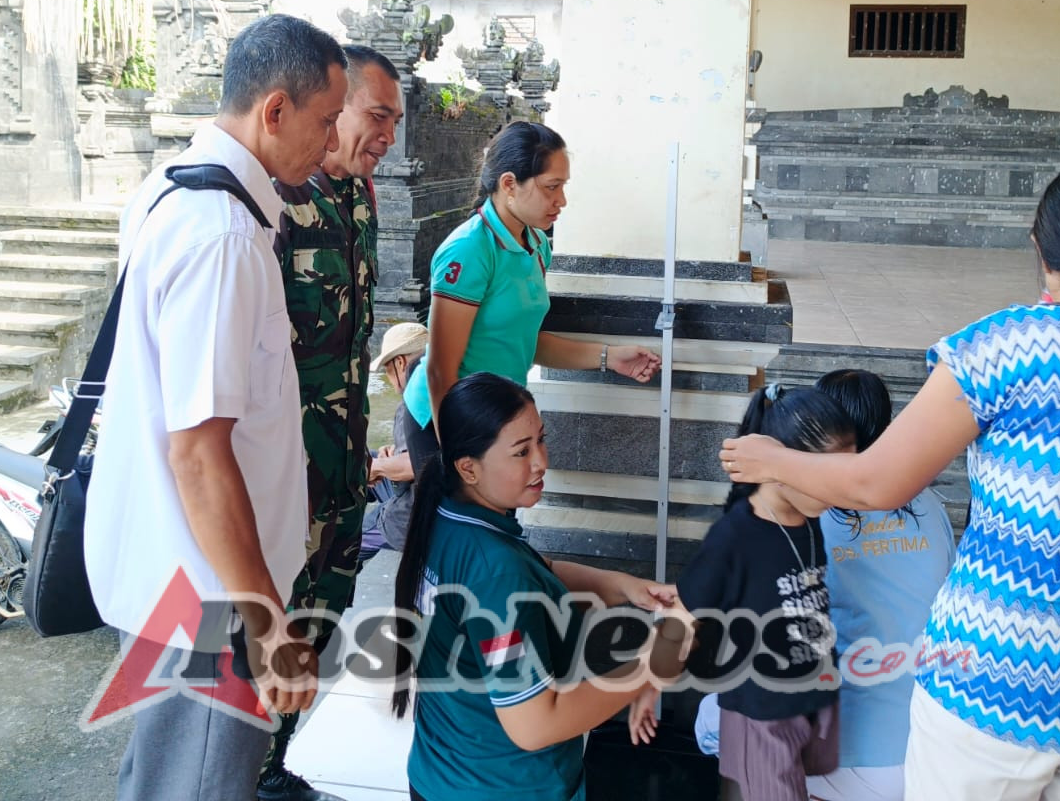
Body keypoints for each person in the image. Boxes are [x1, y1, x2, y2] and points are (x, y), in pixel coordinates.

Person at [721, 164, 1060, 801]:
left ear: (1042, 249)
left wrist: (773, 460)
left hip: (986, 684)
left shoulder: (1003, 349)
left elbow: (878, 483)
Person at [83, 14, 349, 801]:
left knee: (167, 776)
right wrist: (266, 622)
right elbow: (198, 451)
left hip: (188, 573)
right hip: (212, 593)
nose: (330, 145)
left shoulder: (172, 192)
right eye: (325, 121)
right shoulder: (222, 235)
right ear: (274, 111)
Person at [393, 371, 686, 801]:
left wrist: (617, 584)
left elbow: (533, 568)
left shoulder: (445, 514)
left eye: (541, 441)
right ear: (468, 467)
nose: (541, 462)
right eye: (521, 452)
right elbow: (535, 725)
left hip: (441, 774)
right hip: (506, 787)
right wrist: (650, 666)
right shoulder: (497, 573)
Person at [257, 44, 405, 800]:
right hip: (288, 476)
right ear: (333, 106)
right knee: (269, 632)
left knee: (323, 620)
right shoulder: (278, 201)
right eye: (376, 116)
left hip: (345, 469)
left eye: (395, 122)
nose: (387, 136)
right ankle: (244, 769)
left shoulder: (360, 200)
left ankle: (280, 764)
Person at [400, 122, 661, 454]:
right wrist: (455, 453)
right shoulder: (469, 250)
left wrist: (611, 357)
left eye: (563, 186)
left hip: (499, 416)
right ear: (509, 184)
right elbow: (440, 369)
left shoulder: (536, 244)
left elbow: (523, 341)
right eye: (551, 187)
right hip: (447, 418)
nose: (561, 200)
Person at [674, 383, 849, 801]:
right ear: (780, 465)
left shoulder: (809, 521)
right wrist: (646, 688)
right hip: (761, 713)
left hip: (811, 698)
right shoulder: (736, 535)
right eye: (831, 473)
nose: (842, 486)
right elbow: (684, 614)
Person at [811, 369, 956, 801]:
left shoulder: (813, 509)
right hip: (934, 745)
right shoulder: (930, 504)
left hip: (853, 753)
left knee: (723, 733)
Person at [359, 321, 428, 564]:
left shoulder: (415, 402)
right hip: (424, 495)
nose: (389, 379)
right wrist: (393, 454)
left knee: (350, 545)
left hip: (415, 513)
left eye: (388, 370)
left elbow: (415, 465)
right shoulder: (438, 387)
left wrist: (376, 468)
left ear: (400, 363)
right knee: (366, 460)